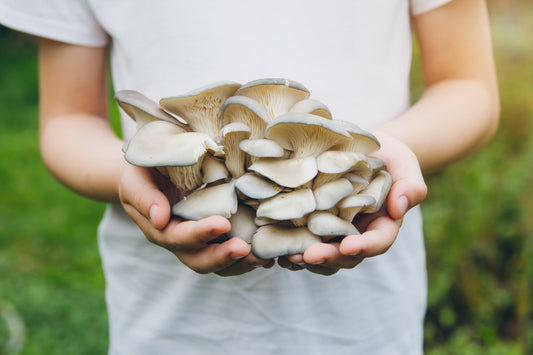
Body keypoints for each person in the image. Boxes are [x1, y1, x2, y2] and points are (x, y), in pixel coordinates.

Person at [0, 0, 499, 353]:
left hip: (363, 323)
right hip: (166, 322)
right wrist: (127, 173)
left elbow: (469, 87)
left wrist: (372, 157)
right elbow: (67, 120)